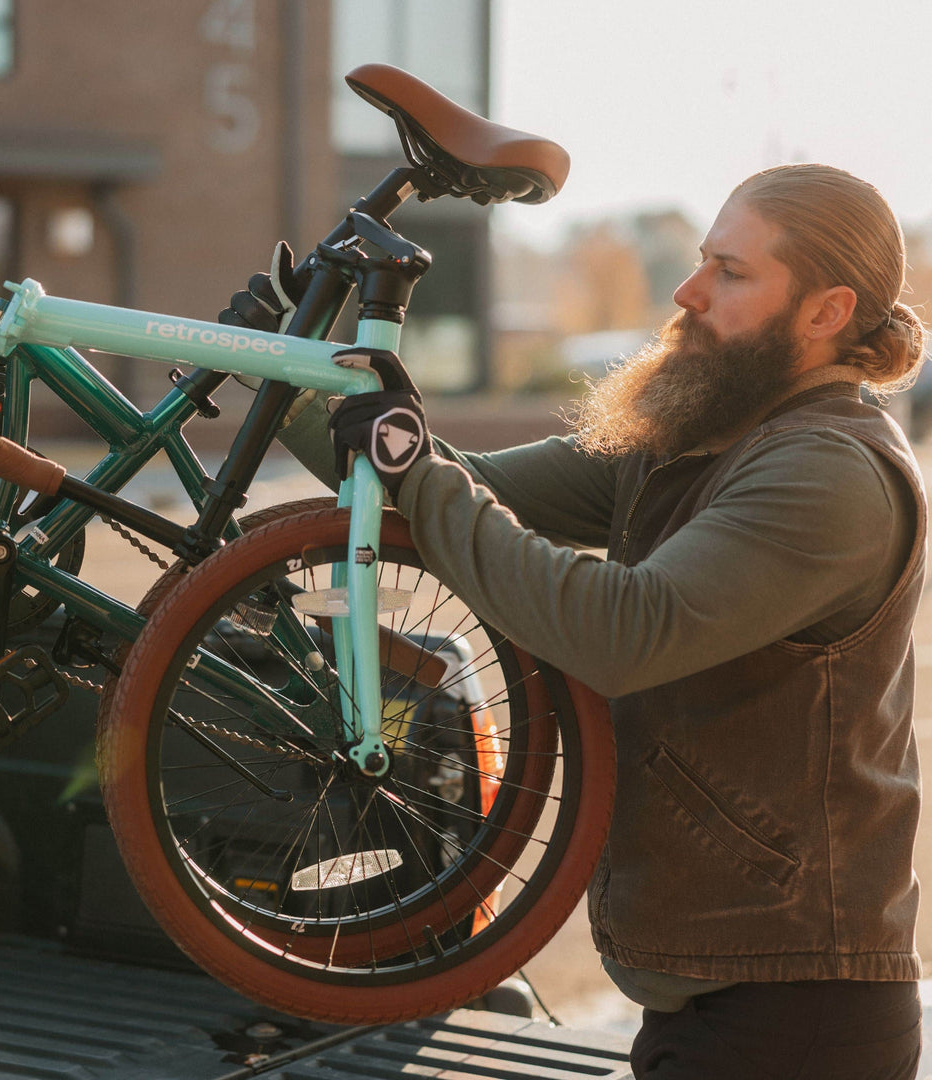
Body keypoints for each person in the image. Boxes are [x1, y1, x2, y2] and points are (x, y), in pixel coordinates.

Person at [223, 163, 927, 1078]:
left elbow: (621, 630)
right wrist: (286, 371)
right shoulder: (705, 437)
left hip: (799, 1016)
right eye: (702, 261)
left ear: (828, 313)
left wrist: (408, 462)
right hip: (717, 997)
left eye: (731, 272)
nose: (688, 289)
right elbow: (456, 491)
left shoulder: (829, 476)